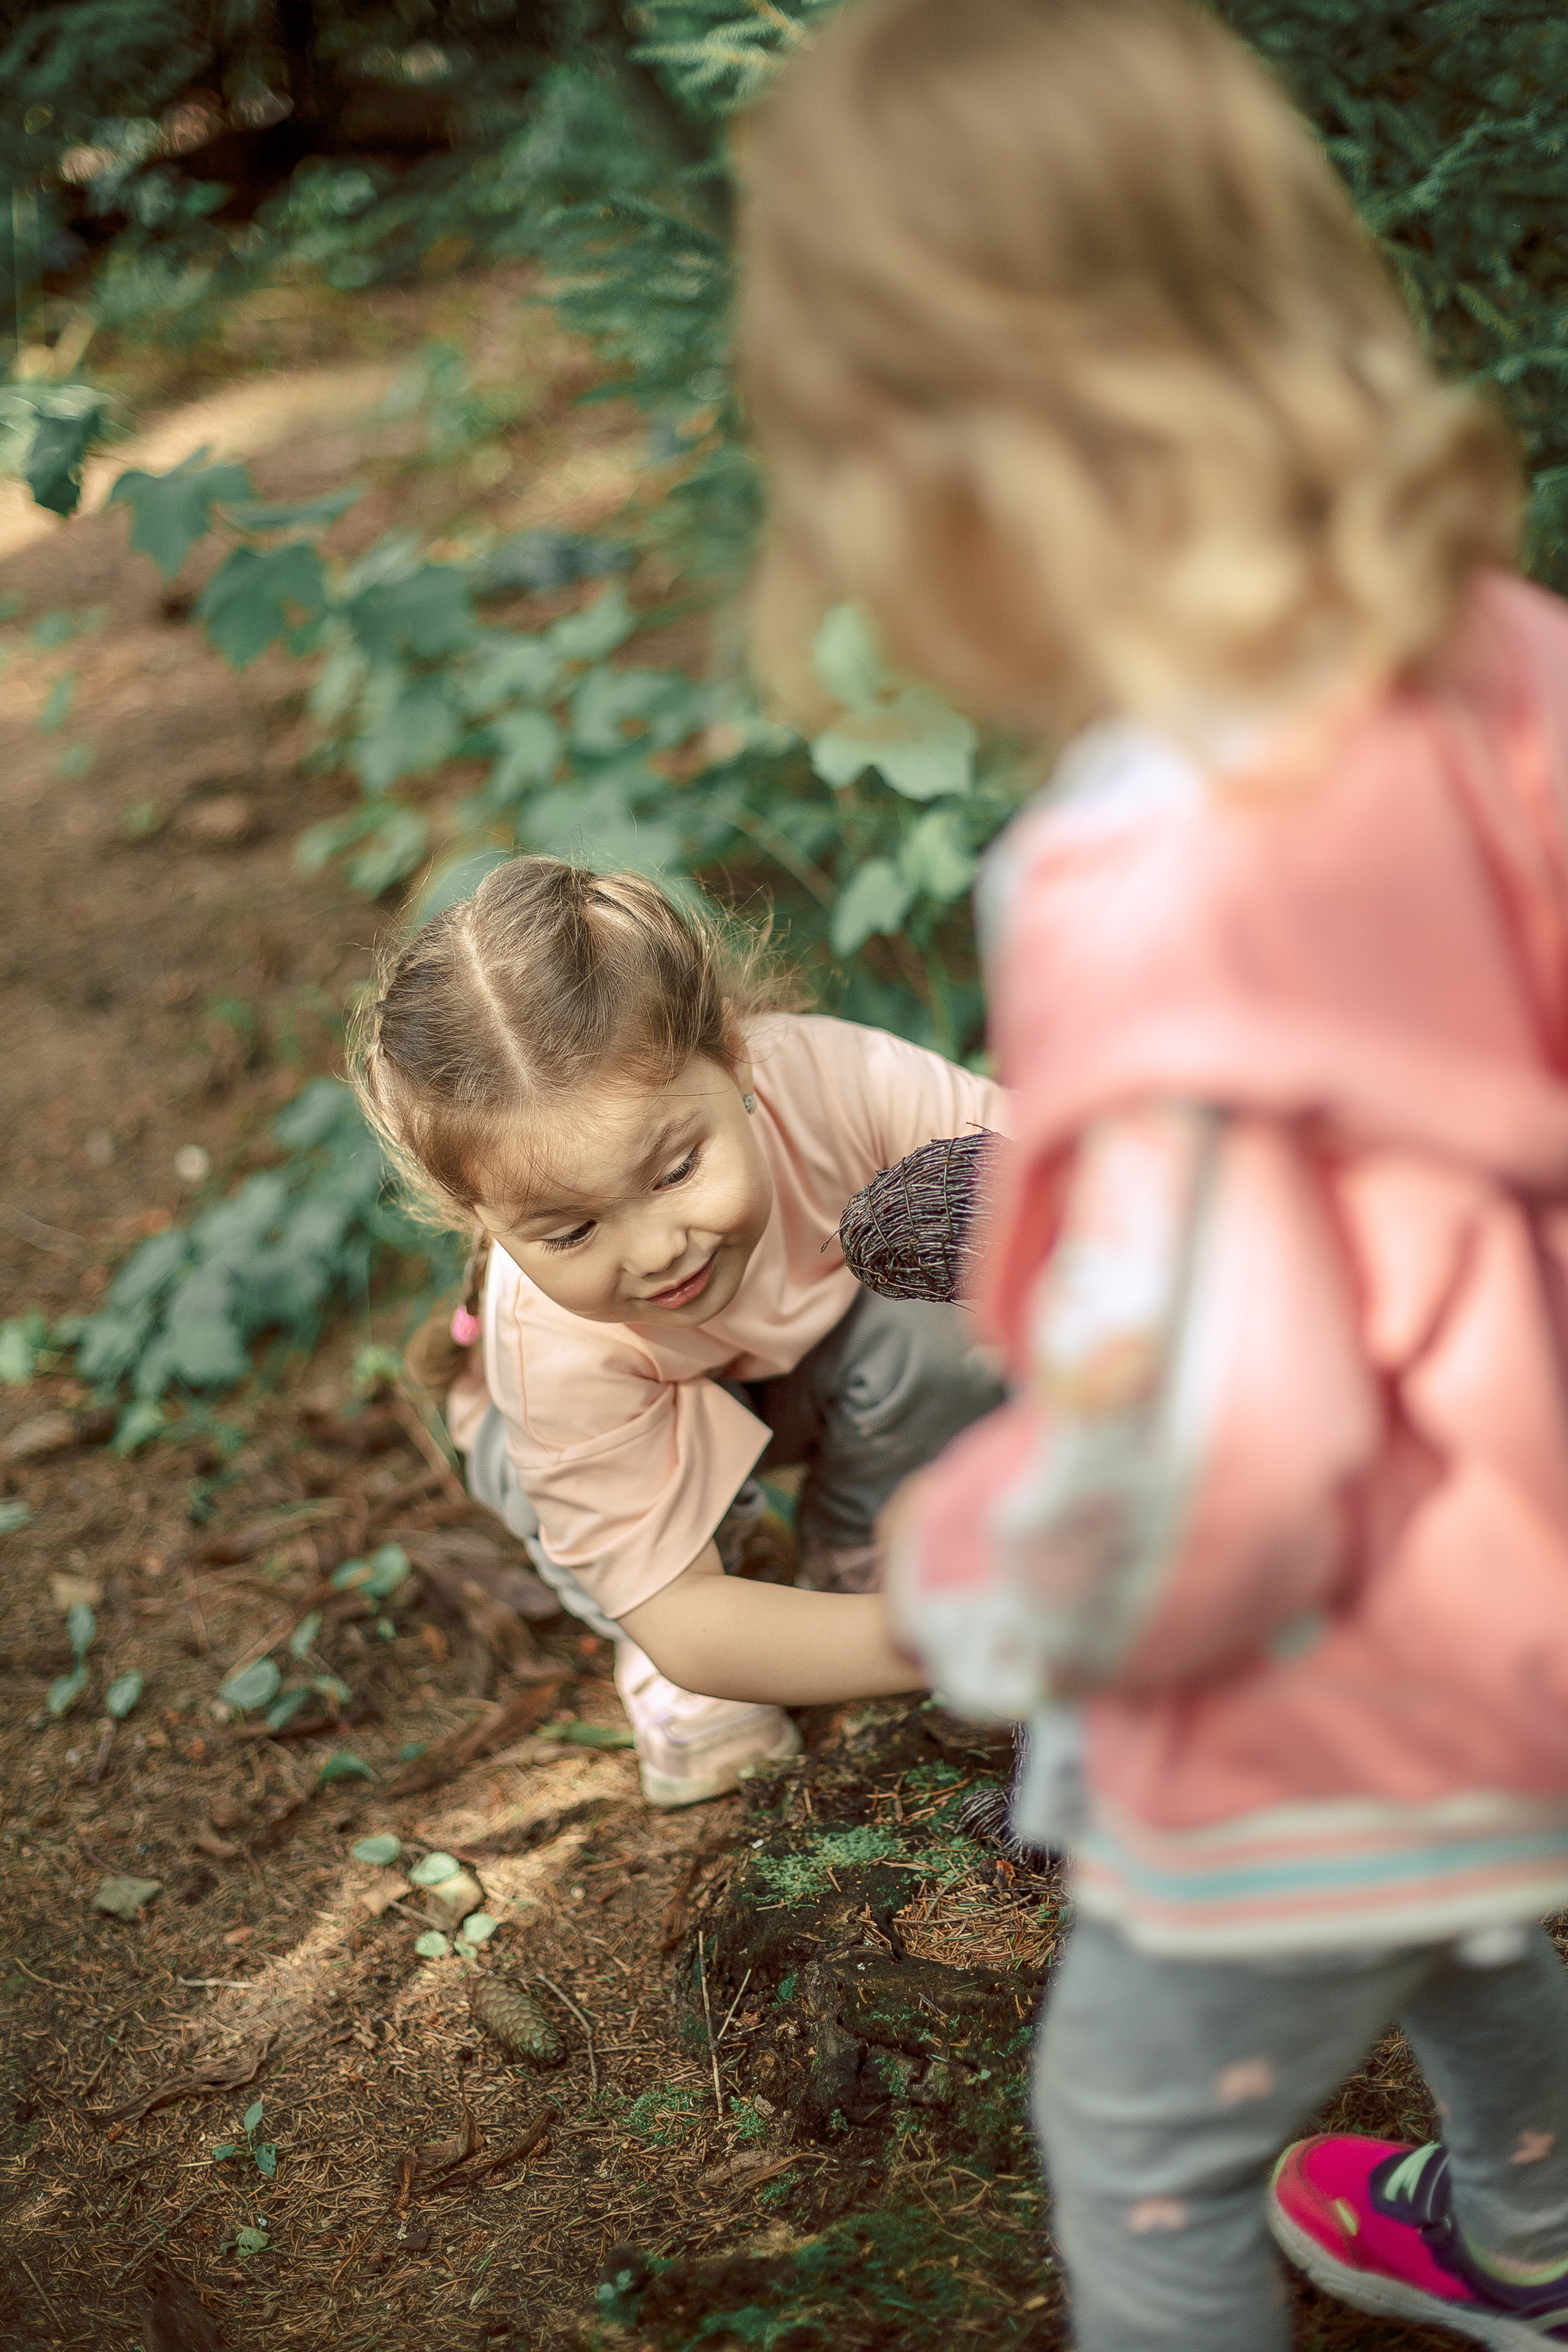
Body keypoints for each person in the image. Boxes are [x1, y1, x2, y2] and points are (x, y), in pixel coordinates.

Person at [739, 1, 1568, 2347]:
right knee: (1477, 1916)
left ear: (922, 471)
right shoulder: (1507, 666)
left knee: (1143, 2142)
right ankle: (1533, 2238)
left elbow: (1239, 1436)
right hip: (1524, 1585)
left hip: (1313, 1671)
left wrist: (985, 1586)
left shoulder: (1142, 875)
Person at [355, 855, 1007, 1806]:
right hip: (632, 1424)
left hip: (813, 1368)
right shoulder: (549, 1345)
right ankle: (730, 1606)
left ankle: (862, 1558)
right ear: (479, 1219)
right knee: (578, 1499)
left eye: (673, 1171)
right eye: (572, 1229)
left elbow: (1051, 1189)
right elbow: (687, 1620)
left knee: (947, 1313)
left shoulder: (838, 1082)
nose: (659, 1249)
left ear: (736, 1059)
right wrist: (950, 1637)